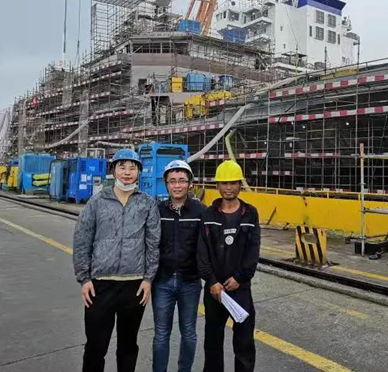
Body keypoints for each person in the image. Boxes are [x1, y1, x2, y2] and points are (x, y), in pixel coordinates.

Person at [73, 149, 161, 372]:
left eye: (132, 168)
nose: (127, 172)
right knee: (95, 346)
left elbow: (153, 243)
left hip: (134, 285)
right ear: (113, 171)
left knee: (128, 345)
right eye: (122, 167)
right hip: (100, 285)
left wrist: (148, 279)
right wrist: (84, 278)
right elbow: (82, 239)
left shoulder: (147, 203)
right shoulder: (97, 201)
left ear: (139, 172)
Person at [197, 160, 261, 372]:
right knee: (213, 343)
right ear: (217, 186)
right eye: (224, 183)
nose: (229, 187)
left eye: (233, 183)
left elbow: (253, 250)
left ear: (240, 184)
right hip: (215, 291)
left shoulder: (250, 213)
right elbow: (202, 252)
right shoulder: (208, 215)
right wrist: (212, 281)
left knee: (244, 344)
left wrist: (240, 278)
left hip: (240, 289)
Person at [152, 160, 206, 372]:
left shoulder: (201, 211)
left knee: (189, 333)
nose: (177, 185)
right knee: (161, 334)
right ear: (166, 184)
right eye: (172, 181)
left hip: (190, 281)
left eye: (182, 180)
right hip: (162, 281)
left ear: (190, 183)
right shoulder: (157, 211)